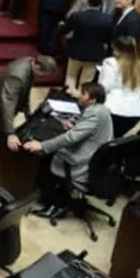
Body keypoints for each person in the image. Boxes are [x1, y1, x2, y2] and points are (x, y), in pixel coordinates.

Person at [23, 82, 113, 219]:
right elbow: (88, 130)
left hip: (83, 161)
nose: (79, 96)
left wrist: (43, 146)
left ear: (92, 100)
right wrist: (77, 125)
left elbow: (70, 138)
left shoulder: (94, 114)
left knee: (44, 159)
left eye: (83, 94)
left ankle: (54, 205)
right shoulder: (101, 110)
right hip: (97, 158)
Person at [0, 56, 57, 175]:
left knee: (0, 136)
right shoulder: (17, 76)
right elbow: (8, 103)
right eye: (43, 74)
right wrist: (11, 133)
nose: (43, 78)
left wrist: (27, 113)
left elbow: (25, 90)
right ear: (37, 66)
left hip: (5, 103)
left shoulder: (29, 62)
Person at [59, 0, 112, 90]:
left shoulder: (77, 16)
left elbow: (64, 31)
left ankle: (69, 95)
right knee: (87, 80)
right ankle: (81, 98)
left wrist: (60, 27)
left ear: (88, 1)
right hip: (94, 54)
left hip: (76, 50)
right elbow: (108, 38)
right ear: (101, 3)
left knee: (71, 76)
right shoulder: (107, 19)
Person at [98, 36, 140, 137]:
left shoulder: (110, 63)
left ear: (116, 49)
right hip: (135, 113)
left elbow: (104, 87)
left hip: (113, 110)